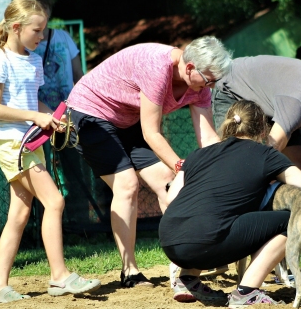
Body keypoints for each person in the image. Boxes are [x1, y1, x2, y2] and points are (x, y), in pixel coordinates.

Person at [65, 36, 232, 288]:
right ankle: (129, 271)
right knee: (127, 184)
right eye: (209, 80)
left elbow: (207, 137)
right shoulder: (157, 66)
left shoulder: (199, 87)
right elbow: (151, 133)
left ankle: (185, 260)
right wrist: (181, 165)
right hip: (91, 114)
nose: (210, 87)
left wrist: (224, 168)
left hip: (128, 119)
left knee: (168, 182)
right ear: (189, 68)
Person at [0, 0, 101, 304]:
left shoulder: (34, 60)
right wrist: (35, 117)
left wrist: (51, 117)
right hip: (12, 144)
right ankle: (60, 277)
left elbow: (31, 102)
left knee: (19, 215)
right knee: (55, 200)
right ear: (17, 27)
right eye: (37, 30)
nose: (42, 36)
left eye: (44, 30)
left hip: (31, 142)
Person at [159, 100, 301, 308]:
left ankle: (187, 280)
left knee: (210, 212)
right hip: (206, 241)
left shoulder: (198, 154)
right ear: (263, 129)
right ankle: (247, 291)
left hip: (169, 239)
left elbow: (171, 198)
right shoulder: (266, 155)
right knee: (295, 220)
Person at [212, 55, 301, 197]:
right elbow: (269, 151)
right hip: (235, 92)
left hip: (275, 104)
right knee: (241, 163)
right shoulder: (298, 103)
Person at [28, 0, 83, 110]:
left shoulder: (63, 37)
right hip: (38, 114)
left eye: (45, 7)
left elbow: (78, 73)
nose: (42, 11)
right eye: (37, 7)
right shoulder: (24, 43)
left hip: (67, 110)